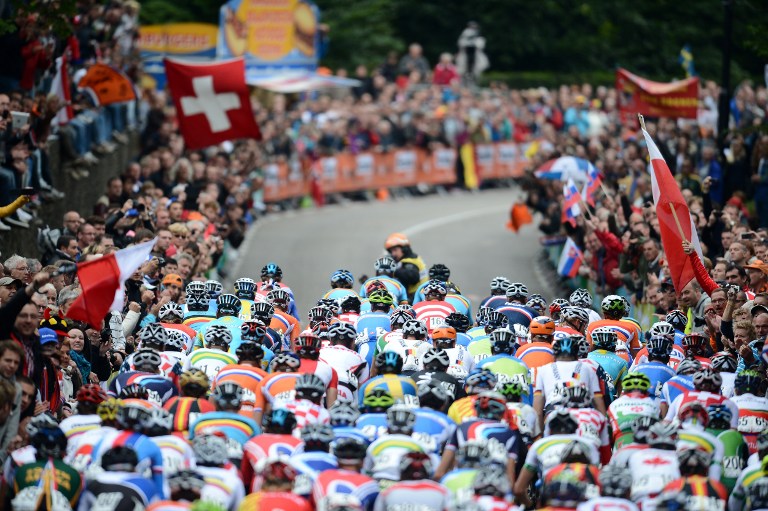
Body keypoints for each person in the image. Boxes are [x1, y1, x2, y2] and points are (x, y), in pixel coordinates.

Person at [383, 232, 427, 301]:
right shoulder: (414, 258)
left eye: (395, 250)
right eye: (391, 251)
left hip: (414, 297)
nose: (393, 254)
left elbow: (413, 277)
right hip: (420, 295)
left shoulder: (409, 262)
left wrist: (394, 271)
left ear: (404, 248)